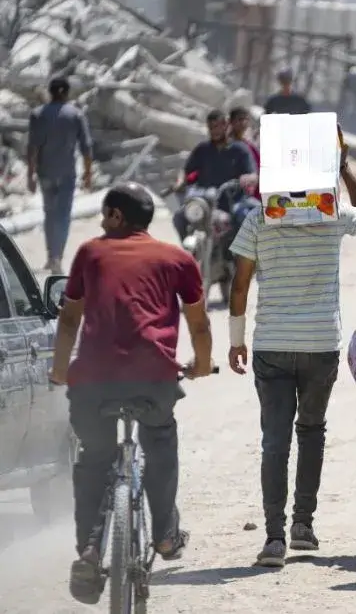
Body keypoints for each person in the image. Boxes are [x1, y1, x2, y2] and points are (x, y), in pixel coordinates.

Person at [48, 183, 213, 604]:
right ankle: (163, 536)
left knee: (94, 460)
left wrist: (60, 371)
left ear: (118, 216)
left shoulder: (90, 253)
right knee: (160, 446)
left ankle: (89, 548)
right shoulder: (178, 258)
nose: (102, 222)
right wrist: (200, 365)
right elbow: (199, 325)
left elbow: (69, 322)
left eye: (105, 214)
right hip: (153, 377)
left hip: (93, 381)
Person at [226, 135, 356, 567]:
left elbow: (239, 286)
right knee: (311, 431)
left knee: (274, 441)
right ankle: (303, 527)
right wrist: (345, 169)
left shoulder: (259, 218)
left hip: (272, 344)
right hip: (319, 344)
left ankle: (274, 538)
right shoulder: (332, 217)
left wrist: (236, 339)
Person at [27, 76, 93, 273]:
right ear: (65, 92)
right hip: (66, 173)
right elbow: (86, 147)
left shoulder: (38, 114)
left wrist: (30, 175)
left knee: (49, 214)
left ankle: (50, 256)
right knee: (63, 215)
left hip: (45, 172)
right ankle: (58, 257)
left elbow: (32, 147)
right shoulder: (76, 115)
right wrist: (88, 174)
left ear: (51, 92)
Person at [172, 109, 255, 241]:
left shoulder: (240, 150)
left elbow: (252, 174)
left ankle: (235, 258)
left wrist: (247, 178)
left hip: (230, 200)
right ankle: (187, 252)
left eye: (217, 126)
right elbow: (186, 170)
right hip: (205, 200)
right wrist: (180, 181)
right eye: (211, 127)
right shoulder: (202, 149)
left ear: (226, 125)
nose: (214, 131)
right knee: (179, 217)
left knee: (243, 220)